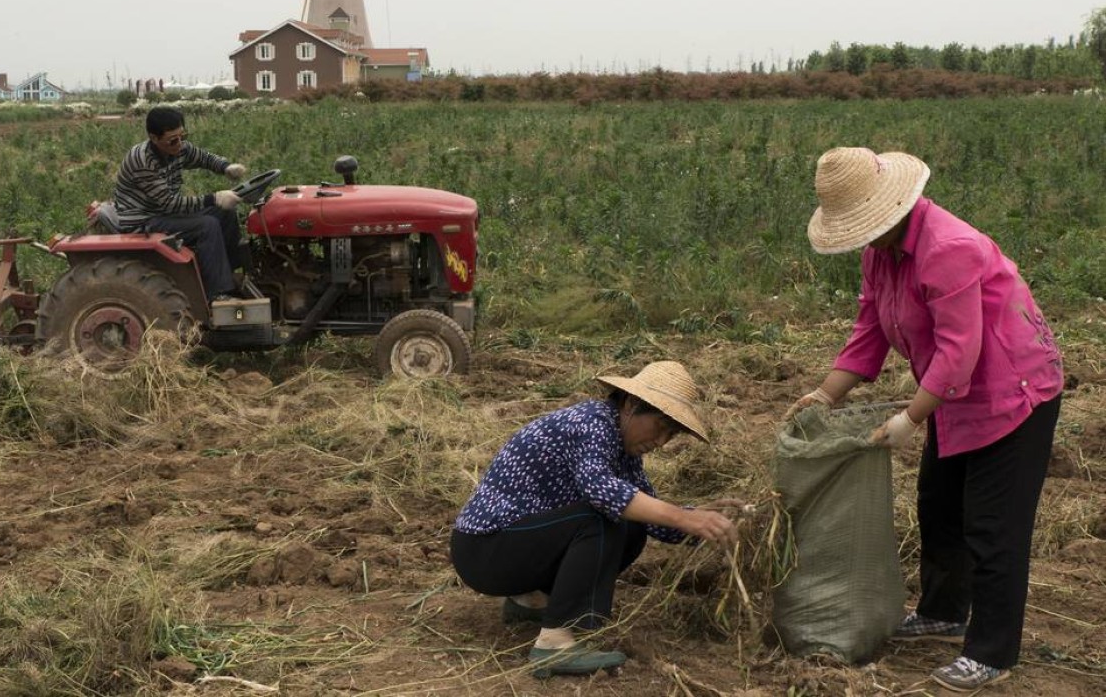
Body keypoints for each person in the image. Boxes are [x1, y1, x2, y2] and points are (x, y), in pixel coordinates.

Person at [784, 147, 1063, 692]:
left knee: (992, 524)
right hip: (955, 396)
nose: (860, 238)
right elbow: (870, 331)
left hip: (1014, 391)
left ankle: (992, 651)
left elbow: (960, 351)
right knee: (938, 506)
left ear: (890, 209)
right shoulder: (880, 254)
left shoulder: (948, 248)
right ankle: (943, 611)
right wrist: (824, 393)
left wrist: (909, 420)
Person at [450, 361, 741, 678]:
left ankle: (531, 602)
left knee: (631, 527)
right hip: (484, 550)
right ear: (630, 404)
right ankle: (554, 644)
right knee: (600, 520)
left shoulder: (624, 450)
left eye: (670, 435)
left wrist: (700, 518)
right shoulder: (591, 423)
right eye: (659, 427)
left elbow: (652, 517)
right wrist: (683, 518)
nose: (661, 442)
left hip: (512, 550)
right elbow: (602, 492)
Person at [113, 106, 248, 301]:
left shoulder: (177, 148)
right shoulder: (142, 161)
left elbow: (203, 158)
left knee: (225, 213)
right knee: (207, 226)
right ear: (154, 138)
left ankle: (231, 275)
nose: (179, 144)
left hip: (162, 213)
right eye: (173, 140)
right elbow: (170, 204)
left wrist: (226, 167)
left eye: (182, 136)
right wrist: (214, 198)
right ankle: (218, 295)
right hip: (144, 221)